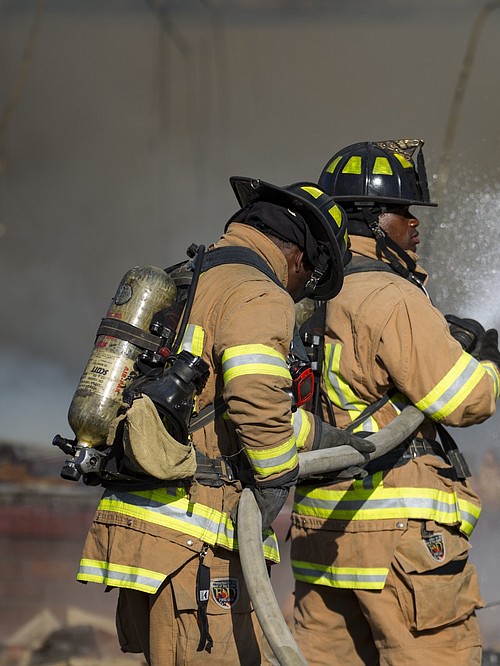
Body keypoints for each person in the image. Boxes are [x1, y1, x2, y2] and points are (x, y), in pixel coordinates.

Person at [74, 177, 373, 664]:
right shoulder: (259, 293)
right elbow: (255, 397)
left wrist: (321, 440)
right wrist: (280, 476)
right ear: (300, 256)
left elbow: (216, 407)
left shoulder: (189, 278)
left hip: (145, 536)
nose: (300, 292)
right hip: (195, 544)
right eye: (309, 279)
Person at [289, 139, 500, 665]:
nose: (416, 225)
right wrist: (492, 367)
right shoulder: (392, 296)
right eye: (403, 211)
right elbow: (465, 399)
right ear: (366, 220)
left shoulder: (307, 296)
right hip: (402, 543)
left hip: (323, 539)